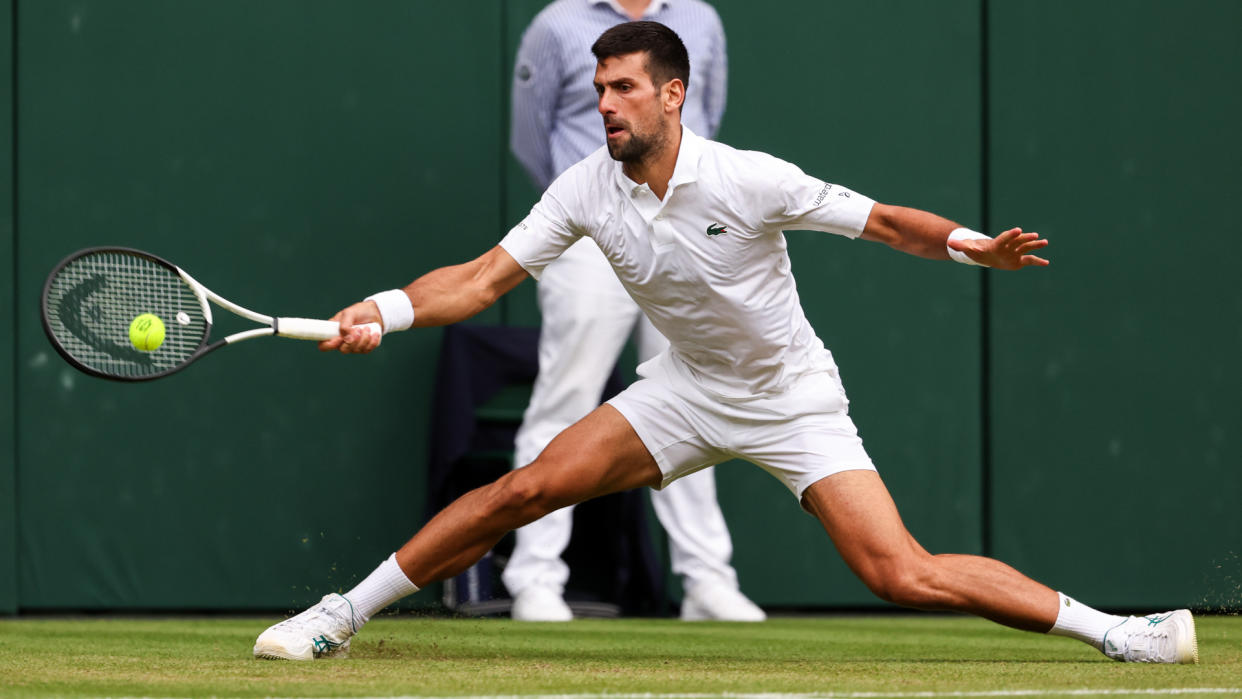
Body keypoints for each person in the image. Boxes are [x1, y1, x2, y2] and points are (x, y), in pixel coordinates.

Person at [253, 21, 1198, 664]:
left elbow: (882, 222)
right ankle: (340, 614)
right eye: (597, 90)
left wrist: (969, 246)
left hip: (792, 396)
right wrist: (385, 307)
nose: (605, 106)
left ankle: (1126, 634)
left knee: (898, 571)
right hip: (684, 389)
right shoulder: (585, 185)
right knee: (523, 486)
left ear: (674, 95)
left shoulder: (749, 179)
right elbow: (478, 279)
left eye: (623, 89)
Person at [504, 0, 761, 622]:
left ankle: (706, 581)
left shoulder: (700, 19)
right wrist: (590, 207)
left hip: (687, 238)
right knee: (564, 399)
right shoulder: (557, 24)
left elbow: (703, 116)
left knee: (698, 398)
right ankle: (535, 579)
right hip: (592, 235)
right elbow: (530, 137)